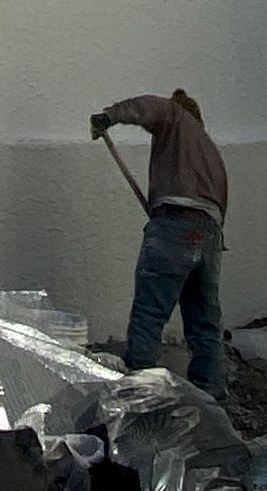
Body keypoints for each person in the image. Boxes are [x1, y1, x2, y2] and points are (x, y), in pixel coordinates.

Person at [90, 89, 228, 397]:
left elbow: (151, 107)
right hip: (209, 234)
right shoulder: (210, 150)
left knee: (149, 314)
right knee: (205, 323)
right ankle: (211, 399)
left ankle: (141, 394)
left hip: (173, 225)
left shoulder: (177, 117)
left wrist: (110, 116)